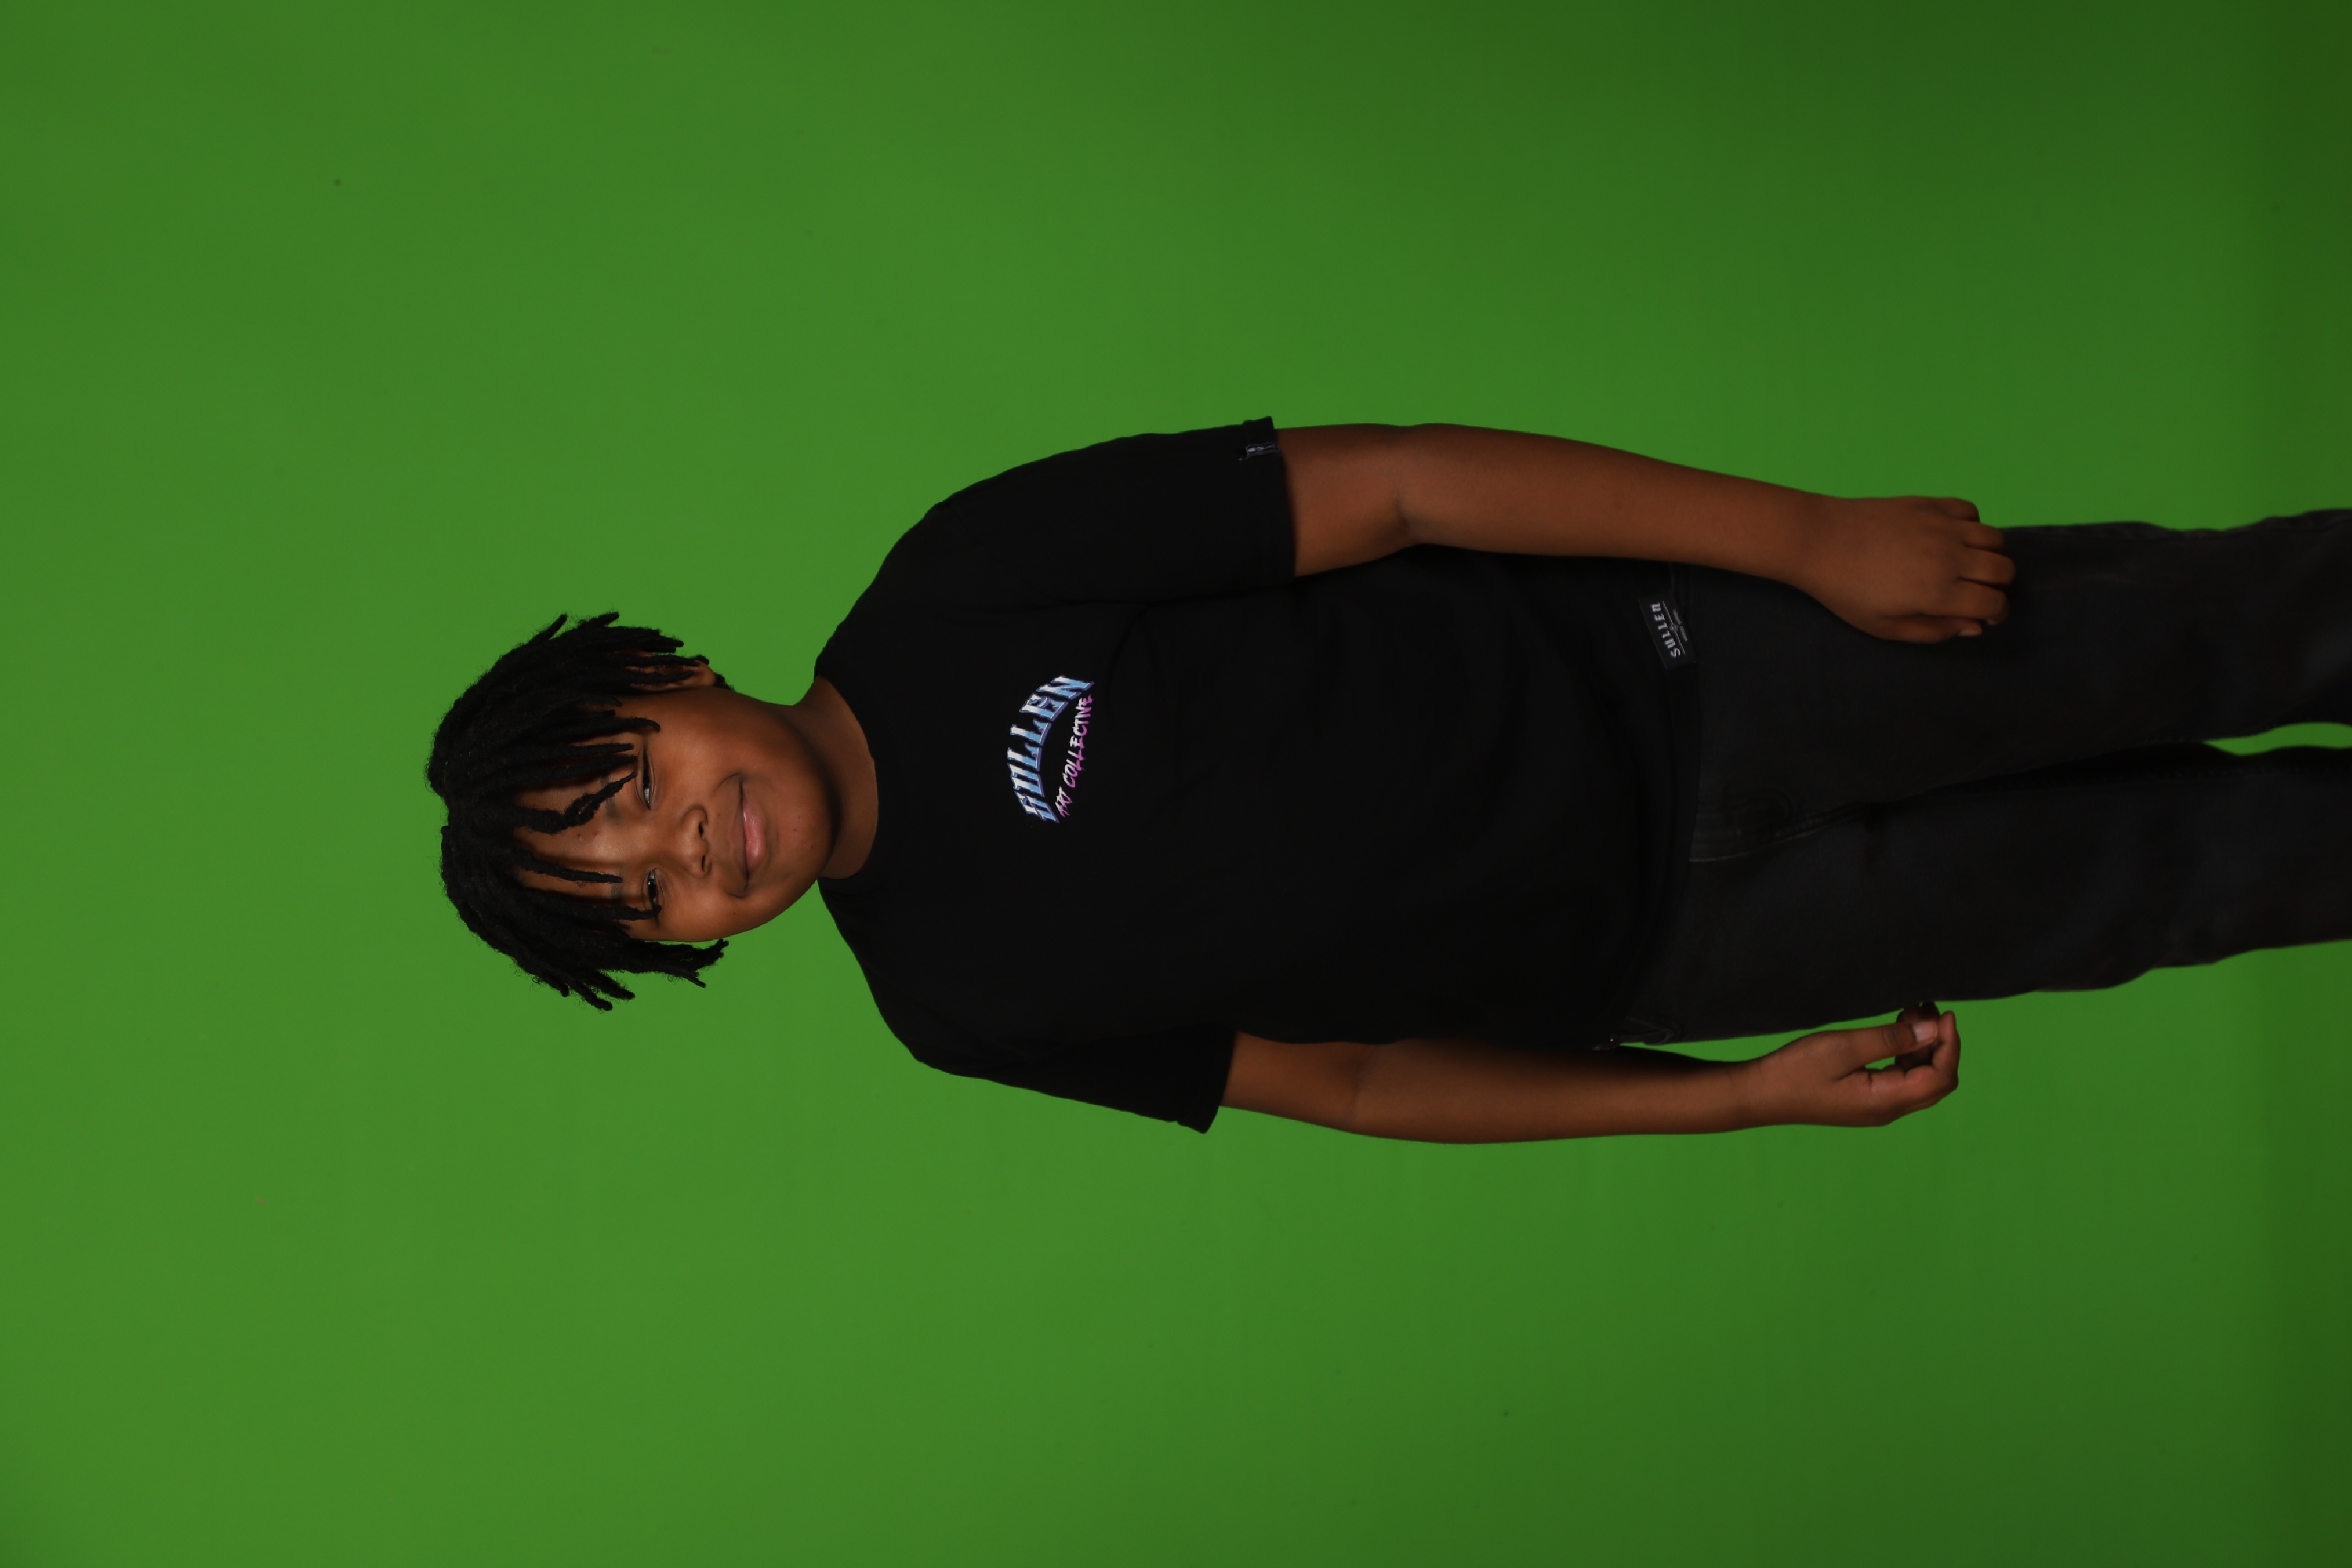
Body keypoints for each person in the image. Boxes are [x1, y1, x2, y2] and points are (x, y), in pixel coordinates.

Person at [426, 420, 2352, 1142]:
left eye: (636, 783)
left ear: (673, 676)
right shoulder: (957, 1003)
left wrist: (1802, 537)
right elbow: (1355, 1083)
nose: (688, 847)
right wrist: (1731, 1096)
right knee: (2205, 876)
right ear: (679, 948)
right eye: (644, 895)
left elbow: (1408, 484)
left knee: (2216, 630)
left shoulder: (959, 584)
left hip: (1716, 672)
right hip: (1697, 952)